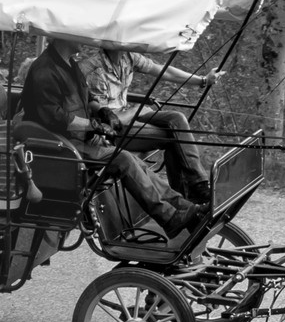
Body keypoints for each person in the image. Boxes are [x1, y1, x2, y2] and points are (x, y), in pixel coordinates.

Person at [17, 35, 204, 234]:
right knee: (122, 158)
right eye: (80, 34)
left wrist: (102, 112)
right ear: (63, 36)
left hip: (80, 139)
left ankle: (184, 207)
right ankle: (170, 218)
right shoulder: (44, 71)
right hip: (61, 147)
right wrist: (93, 126)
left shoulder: (70, 64)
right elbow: (57, 119)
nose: (88, 40)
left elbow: (88, 98)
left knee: (133, 160)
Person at [85, 46, 222, 205]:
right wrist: (137, 109)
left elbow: (164, 71)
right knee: (174, 138)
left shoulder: (129, 57)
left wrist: (202, 80)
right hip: (113, 129)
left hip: (132, 114)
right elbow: (108, 119)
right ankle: (185, 199)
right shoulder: (95, 69)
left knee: (176, 119)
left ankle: (198, 184)